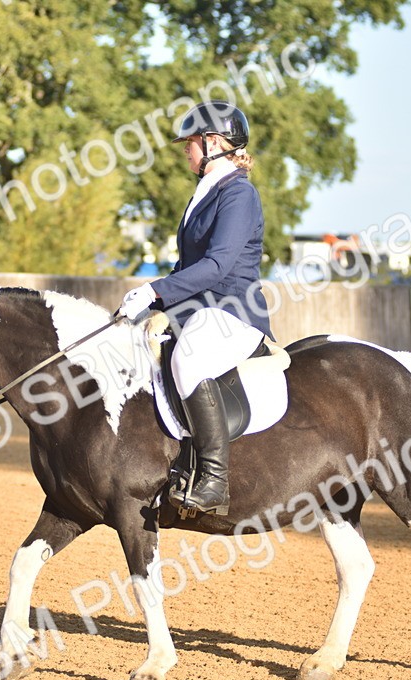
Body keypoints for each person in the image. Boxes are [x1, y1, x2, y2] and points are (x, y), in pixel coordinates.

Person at [117, 100, 273, 515]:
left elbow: (217, 266)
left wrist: (156, 290)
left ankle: (214, 480)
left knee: (187, 361)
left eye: (191, 142)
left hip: (233, 312)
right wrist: (155, 301)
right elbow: (187, 265)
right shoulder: (204, 192)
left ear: (214, 142)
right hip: (199, 309)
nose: (185, 149)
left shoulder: (239, 194)